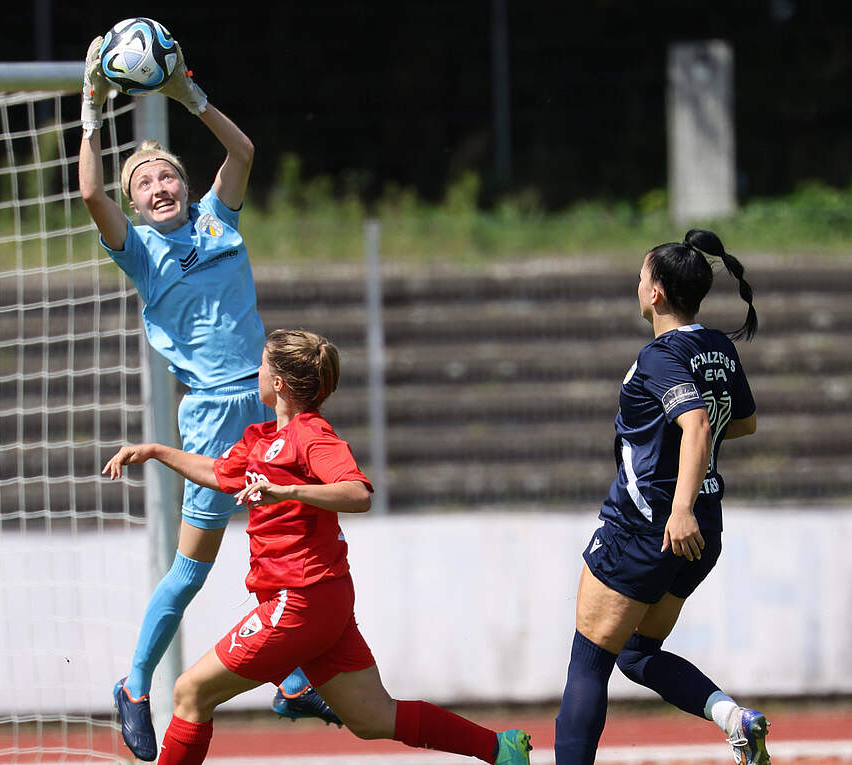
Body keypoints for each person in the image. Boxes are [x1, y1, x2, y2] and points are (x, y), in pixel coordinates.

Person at [77, 35, 338, 762]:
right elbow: (90, 192)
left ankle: (287, 679)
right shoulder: (138, 251)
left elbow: (245, 149)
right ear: (134, 205)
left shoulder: (220, 218)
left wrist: (187, 94)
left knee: (280, 542)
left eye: (166, 177)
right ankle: (134, 686)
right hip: (214, 415)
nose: (159, 187)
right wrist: (92, 107)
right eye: (145, 185)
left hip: (269, 404)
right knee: (192, 568)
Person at [102, 329, 534, 765]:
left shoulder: (311, 435)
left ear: (278, 384)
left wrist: (289, 492)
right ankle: (500, 749)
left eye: (263, 365)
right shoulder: (260, 438)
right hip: (321, 601)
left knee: (190, 691)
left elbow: (357, 493)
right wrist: (156, 451)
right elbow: (219, 474)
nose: (256, 371)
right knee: (373, 718)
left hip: (300, 600)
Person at [553, 230, 769, 765]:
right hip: (704, 527)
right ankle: (732, 718)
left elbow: (696, 424)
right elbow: (741, 422)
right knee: (636, 651)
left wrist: (676, 506)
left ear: (657, 293)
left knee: (589, 663)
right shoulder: (717, 346)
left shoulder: (659, 356)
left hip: (648, 526)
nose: (637, 281)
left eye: (642, 275)